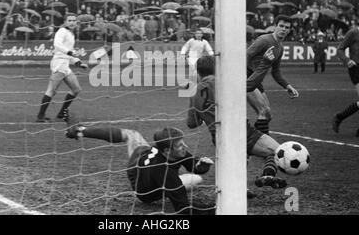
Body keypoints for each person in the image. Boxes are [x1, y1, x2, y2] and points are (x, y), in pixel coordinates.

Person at [187, 56, 288, 192]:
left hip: (218, 136)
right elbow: (248, 88)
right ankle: (268, 174)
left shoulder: (193, 91)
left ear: (198, 72)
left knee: (237, 162)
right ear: (216, 69)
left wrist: (204, 114)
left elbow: (192, 123)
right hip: (241, 130)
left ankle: (241, 189)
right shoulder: (222, 82)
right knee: (278, 151)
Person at [65, 125, 215, 215]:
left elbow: (193, 164)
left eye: (183, 143)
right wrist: (214, 209)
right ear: (167, 151)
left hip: (142, 155)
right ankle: (169, 187)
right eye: (181, 145)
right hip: (142, 187)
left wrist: (201, 166)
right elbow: (183, 209)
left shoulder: (169, 149)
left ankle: (81, 130)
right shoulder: (164, 172)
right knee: (195, 180)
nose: (185, 147)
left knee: (132, 135)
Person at [247, 15, 299, 136]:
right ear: (275, 26)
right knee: (263, 111)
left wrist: (287, 86)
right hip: (247, 76)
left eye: (287, 27)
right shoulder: (264, 40)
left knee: (268, 115)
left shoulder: (280, 48)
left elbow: (276, 72)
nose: (283, 29)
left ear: (289, 30)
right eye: (281, 26)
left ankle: (249, 143)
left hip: (257, 80)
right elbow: (246, 55)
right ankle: (264, 152)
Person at [36, 14, 88, 123]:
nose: (72, 22)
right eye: (69, 20)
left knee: (76, 89)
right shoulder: (62, 31)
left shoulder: (71, 34)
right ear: (65, 21)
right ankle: (40, 116)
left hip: (65, 65)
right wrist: (70, 52)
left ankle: (61, 113)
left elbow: (69, 53)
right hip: (59, 64)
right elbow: (57, 45)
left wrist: (78, 62)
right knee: (51, 91)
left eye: (74, 20)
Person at [332, 9, 359, 137]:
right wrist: (347, 60)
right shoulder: (353, 32)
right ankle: (339, 117)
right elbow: (340, 49)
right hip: (357, 67)